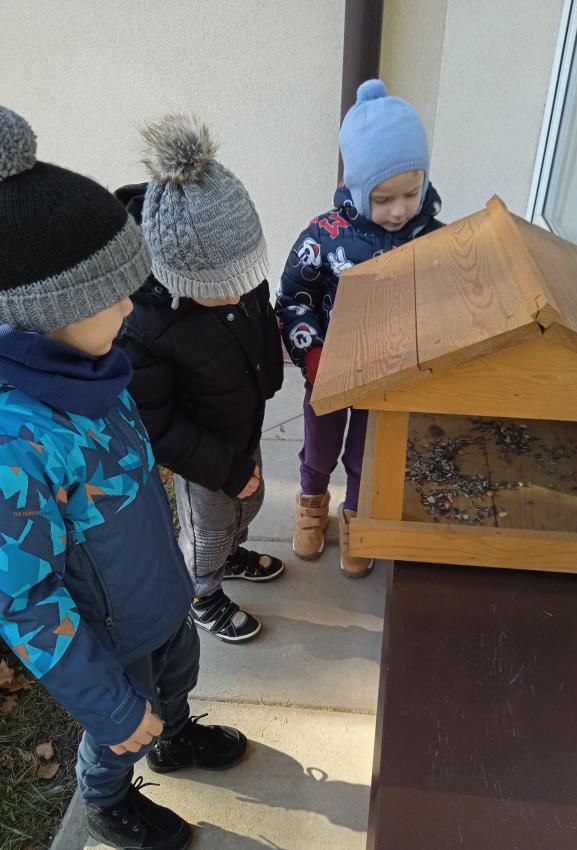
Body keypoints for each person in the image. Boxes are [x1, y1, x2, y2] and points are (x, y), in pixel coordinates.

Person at [0, 106, 248, 850]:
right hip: (108, 640)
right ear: (46, 311)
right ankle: (108, 803)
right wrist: (106, 704)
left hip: (157, 596)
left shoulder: (96, 367)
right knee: (123, 730)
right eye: (110, 295)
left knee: (178, 677)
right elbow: (25, 598)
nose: (129, 304)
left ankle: (173, 735)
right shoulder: (16, 442)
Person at [117, 114, 284, 645]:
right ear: (177, 278)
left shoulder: (234, 277)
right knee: (209, 529)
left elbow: (259, 320)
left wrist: (270, 372)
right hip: (200, 455)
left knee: (250, 503)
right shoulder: (143, 326)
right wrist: (224, 470)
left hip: (241, 424)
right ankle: (202, 592)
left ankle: (230, 555)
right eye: (221, 289)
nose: (238, 294)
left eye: (244, 280)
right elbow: (156, 423)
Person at [276, 79, 444, 578]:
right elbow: (294, 299)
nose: (399, 209)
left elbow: (445, 300)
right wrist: (312, 354)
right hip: (329, 371)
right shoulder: (325, 235)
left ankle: (357, 517)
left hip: (390, 378)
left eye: (411, 193)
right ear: (356, 187)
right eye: (383, 197)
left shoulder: (432, 239)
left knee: (366, 455)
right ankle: (312, 504)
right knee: (320, 448)